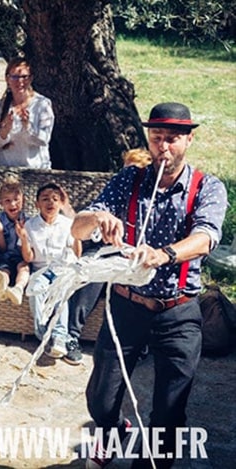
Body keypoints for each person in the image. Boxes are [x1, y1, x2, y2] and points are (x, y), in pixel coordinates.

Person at [71, 102, 226, 469]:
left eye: (172, 139)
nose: (163, 147)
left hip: (179, 311)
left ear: (188, 140)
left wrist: (164, 254)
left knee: (169, 414)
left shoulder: (208, 187)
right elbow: (76, 228)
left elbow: (206, 237)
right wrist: (96, 217)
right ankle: (113, 430)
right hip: (127, 305)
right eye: (157, 138)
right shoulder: (129, 179)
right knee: (100, 400)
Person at [64, 147, 154, 366]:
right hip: (105, 250)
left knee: (141, 276)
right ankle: (71, 335)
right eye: (125, 170)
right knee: (91, 273)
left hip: (137, 254)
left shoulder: (150, 201)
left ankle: (140, 342)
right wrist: (98, 220)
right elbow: (84, 225)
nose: (127, 177)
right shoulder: (116, 192)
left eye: (134, 171)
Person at [18, 182, 81, 359]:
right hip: (40, 270)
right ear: (37, 204)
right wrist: (23, 238)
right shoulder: (30, 225)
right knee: (36, 289)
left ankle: (60, 337)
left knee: (60, 291)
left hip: (62, 270)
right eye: (45, 199)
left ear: (61, 203)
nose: (50, 203)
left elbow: (76, 254)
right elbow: (28, 258)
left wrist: (77, 237)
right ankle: (44, 334)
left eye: (55, 199)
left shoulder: (68, 224)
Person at [0, 57, 54, 169]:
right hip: (3, 168)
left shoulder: (42, 104)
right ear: (7, 79)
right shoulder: (0, 105)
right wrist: (5, 130)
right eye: (14, 77)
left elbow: (44, 139)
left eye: (24, 77)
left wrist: (27, 126)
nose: (20, 81)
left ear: (31, 78)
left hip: (34, 170)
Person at [0, 173, 30, 306]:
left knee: (24, 268)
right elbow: (2, 249)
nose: (13, 204)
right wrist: (0, 232)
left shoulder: (29, 221)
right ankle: (2, 288)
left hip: (22, 257)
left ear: (23, 200)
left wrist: (23, 235)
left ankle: (18, 289)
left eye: (16, 199)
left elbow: (29, 251)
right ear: (1, 203)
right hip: (5, 257)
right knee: (3, 270)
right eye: (7, 201)